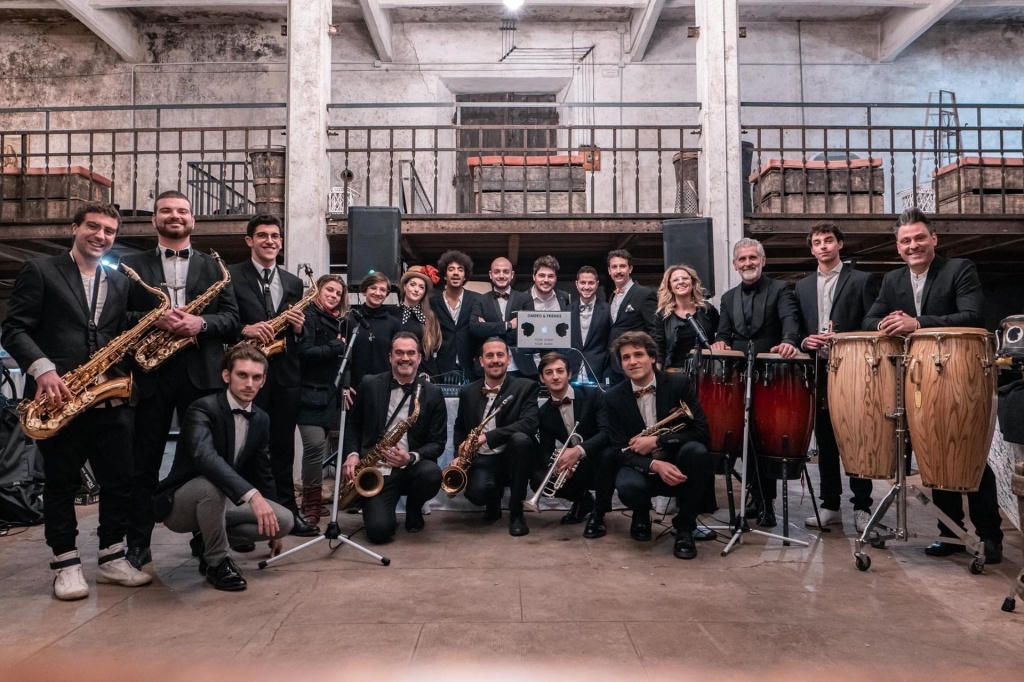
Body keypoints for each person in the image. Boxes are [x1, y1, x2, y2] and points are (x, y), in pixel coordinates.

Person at [1, 202, 152, 600]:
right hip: (59, 399)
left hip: (109, 400)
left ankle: (112, 557)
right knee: (60, 485)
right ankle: (65, 565)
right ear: (75, 227)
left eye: (109, 231)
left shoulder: (118, 281)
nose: (101, 236)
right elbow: (14, 329)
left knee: (120, 482)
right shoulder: (41, 271)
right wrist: (43, 369)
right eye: (93, 227)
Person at [863, 207, 1003, 564]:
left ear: (934, 239)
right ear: (898, 247)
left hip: (958, 375)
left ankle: (990, 536)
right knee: (931, 450)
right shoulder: (893, 280)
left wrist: (918, 323)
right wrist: (886, 323)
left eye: (919, 238)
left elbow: (973, 316)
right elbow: (869, 318)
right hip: (916, 380)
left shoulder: (959, 269)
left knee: (967, 451)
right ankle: (950, 534)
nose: (913, 245)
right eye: (906, 241)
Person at [121, 190, 240, 570]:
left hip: (201, 376)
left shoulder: (215, 267)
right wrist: (151, 319)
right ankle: (138, 544)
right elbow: (116, 316)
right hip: (150, 374)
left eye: (182, 211)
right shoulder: (130, 265)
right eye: (166, 210)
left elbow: (232, 319)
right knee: (142, 464)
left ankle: (205, 542)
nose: (175, 216)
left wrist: (200, 323)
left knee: (203, 462)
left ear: (193, 220)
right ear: (154, 219)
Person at [153, 345, 294, 592]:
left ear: (263, 381)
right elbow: (205, 458)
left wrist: (271, 516)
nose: (249, 384)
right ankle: (217, 562)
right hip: (181, 504)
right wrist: (253, 497)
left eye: (256, 377)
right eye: (242, 375)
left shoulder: (261, 418)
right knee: (211, 485)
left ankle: (205, 542)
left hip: (223, 501)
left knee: (284, 520)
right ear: (226, 375)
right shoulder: (201, 409)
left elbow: (264, 471)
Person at [228, 215, 317, 537]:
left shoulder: (293, 282)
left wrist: (299, 328)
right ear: (249, 240)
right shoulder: (231, 276)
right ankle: (240, 520)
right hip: (246, 377)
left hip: (284, 377)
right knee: (242, 448)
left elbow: (303, 340)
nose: (270, 241)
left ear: (281, 242)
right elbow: (223, 320)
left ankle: (287, 513)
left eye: (275, 236)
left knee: (283, 449)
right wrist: (244, 329)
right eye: (262, 235)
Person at [711, 237, 801, 528]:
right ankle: (756, 496)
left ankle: (767, 502)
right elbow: (723, 333)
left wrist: (789, 341)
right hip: (738, 377)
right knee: (744, 437)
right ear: (735, 264)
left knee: (764, 436)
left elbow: (790, 320)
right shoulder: (728, 298)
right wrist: (720, 342)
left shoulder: (781, 289)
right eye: (742, 259)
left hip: (771, 376)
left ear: (763, 260)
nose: (748, 263)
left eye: (753, 258)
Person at [795, 222, 878, 532]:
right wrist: (805, 341)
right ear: (811, 249)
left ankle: (862, 506)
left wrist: (845, 338)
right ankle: (830, 506)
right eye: (817, 242)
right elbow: (797, 327)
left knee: (855, 438)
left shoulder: (862, 280)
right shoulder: (802, 286)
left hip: (852, 369)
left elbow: (872, 323)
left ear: (840, 244)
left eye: (828, 240)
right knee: (825, 439)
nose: (823, 246)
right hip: (818, 368)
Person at [605, 331, 712, 560]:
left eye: (638, 354)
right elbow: (619, 449)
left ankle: (685, 527)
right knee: (627, 486)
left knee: (698, 452)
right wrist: (654, 465)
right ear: (621, 365)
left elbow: (701, 432)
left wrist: (657, 440)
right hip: (640, 463)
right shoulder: (613, 397)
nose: (632, 362)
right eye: (626, 357)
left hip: (675, 458)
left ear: (652, 357)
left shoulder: (678, 384)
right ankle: (641, 514)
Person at [342, 332, 447, 543]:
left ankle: (413, 509)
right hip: (376, 469)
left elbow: (438, 443)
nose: (405, 358)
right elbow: (353, 424)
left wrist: (410, 457)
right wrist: (352, 454)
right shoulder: (370, 383)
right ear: (390, 356)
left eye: (410, 353)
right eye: (399, 353)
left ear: (419, 358)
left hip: (412, 468)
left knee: (432, 473)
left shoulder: (433, 393)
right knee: (379, 533)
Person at [452, 337, 539, 536]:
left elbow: (530, 423)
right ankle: (493, 501)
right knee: (475, 494)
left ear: (509, 359)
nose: (495, 360)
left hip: (513, 456)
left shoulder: (526, 387)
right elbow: (460, 426)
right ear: (481, 361)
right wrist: (459, 453)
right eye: (489, 355)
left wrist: (487, 437)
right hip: (482, 458)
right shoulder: (468, 392)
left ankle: (516, 514)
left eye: (500, 355)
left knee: (520, 440)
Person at [534, 352, 612, 538]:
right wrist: (558, 466)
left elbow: (607, 433)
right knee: (539, 479)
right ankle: (583, 500)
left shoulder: (593, 395)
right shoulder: (544, 412)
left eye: (560, 371)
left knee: (607, 456)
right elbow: (546, 451)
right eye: (549, 372)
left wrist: (578, 451)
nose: (555, 376)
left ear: (569, 374)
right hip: (575, 465)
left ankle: (599, 513)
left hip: (599, 457)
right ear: (542, 378)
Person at [296, 274, 349, 525]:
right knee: (315, 447)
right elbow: (303, 352)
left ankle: (309, 500)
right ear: (317, 291)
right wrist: (335, 347)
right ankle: (312, 502)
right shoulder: (308, 316)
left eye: (338, 293)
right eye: (329, 290)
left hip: (328, 395)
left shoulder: (336, 320)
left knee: (318, 448)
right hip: (309, 393)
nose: (334, 296)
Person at [606, 250, 663, 382]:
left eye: (622, 266)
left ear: (630, 269)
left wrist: (657, 360)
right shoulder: (612, 296)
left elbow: (655, 330)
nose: (618, 271)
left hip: (637, 363)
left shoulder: (644, 294)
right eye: (614, 267)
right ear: (609, 271)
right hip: (616, 364)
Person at [469, 256, 530, 377]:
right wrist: (508, 325)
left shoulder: (525, 299)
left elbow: (527, 332)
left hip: (519, 366)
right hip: (489, 366)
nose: (501, 276)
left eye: (506, 272)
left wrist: (487, 328)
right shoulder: (480, 300)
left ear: (512, 275)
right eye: (497, 272)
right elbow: (475, 329)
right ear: (490, 275)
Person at [513, 255, 571, 379]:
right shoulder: (520, 299)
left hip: (557, 367)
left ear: (556, 278)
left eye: (551, 276)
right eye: (542, 275)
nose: (546, 280)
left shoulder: (564, 298)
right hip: (528, 366)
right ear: (534, 277)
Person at [656, 264, 719, 370]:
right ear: (670, 287)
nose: (681, 282)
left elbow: (721, 333)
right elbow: (659, 347)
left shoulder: (706, 309)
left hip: (705, 370)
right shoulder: (662, 315)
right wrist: (657, 374)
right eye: (675, 280)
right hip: (674, 371)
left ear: (693, 283)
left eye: (685, 278)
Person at [430, 250, 480, 381]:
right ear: (444, 275)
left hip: (470, 369)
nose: (456, 273)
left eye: (460, 269)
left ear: (465, 276)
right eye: (451, 269)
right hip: (440, 369)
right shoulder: (432, 303)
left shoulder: (477, 300)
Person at [348, 272, 401, 389]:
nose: (378, 293)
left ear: (386, 294)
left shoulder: (394, 323)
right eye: (373, 288)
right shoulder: (350, 320)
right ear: (364, 291)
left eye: (382, 290)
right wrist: (346, 384)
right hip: (354, 387)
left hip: (385, 385)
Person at [390, 266, 442, 378]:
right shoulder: (391, 312)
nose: (416, 290)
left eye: (421, 287)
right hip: (398, 370)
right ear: (405, 287)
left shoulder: (430, 316)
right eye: (413, 285)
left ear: (424, 292)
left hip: (425, 372)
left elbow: (434, 347)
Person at [569, 265, 611, 384]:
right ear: (577, 284)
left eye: (591, 283)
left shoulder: (608, 310)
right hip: (572, 372)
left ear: (597, 284)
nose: (586, 287)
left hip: (599, 372)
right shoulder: (567, 310)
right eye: (583, 282)